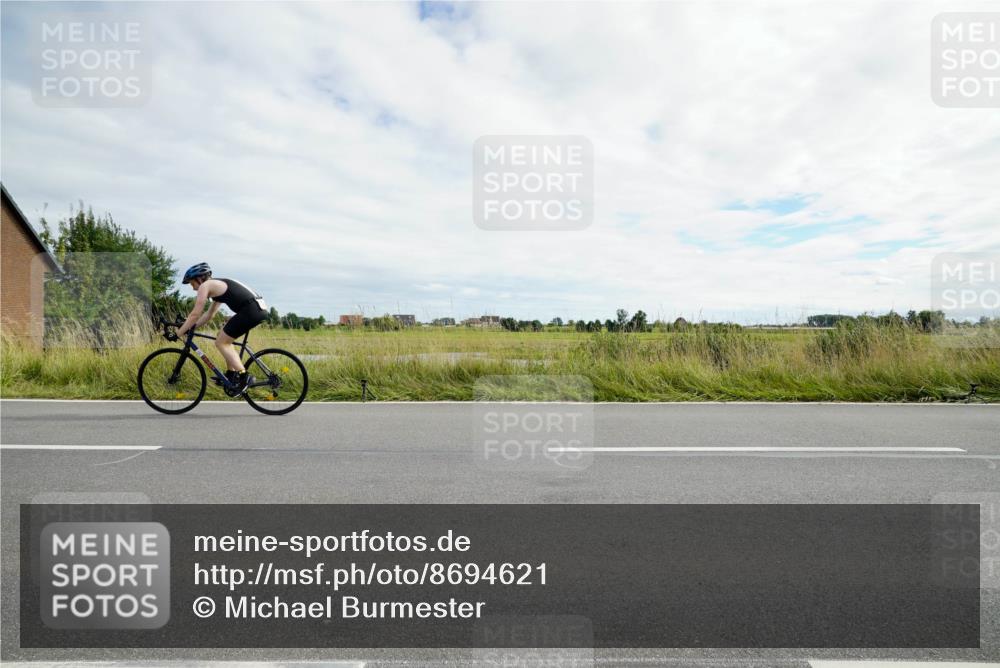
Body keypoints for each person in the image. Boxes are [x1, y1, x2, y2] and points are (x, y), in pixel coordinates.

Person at [174, 263, 268, 392]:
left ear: (199, 279)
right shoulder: (216, 287)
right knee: (223, 338)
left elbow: (195, 314)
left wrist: (178, 333)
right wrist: (191, 328)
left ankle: (244, 376)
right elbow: (209, 315)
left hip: (251, 310)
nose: (193, 288)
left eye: (192, 284)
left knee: (221, 343)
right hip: (256, 309)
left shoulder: (205, 286)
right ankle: (231, 374)